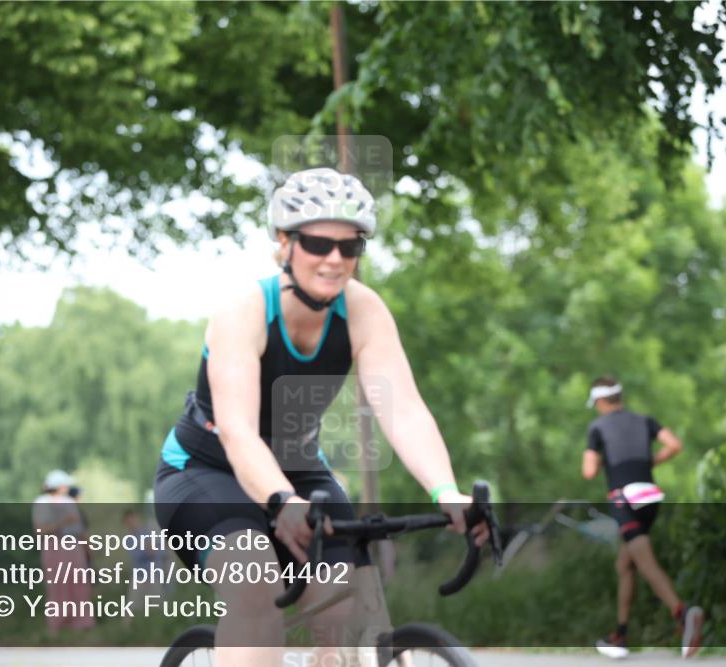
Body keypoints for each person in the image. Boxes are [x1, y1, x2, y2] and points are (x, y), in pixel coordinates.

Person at [153, 167, 488, 665]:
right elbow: (239, 432)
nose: (334, 260)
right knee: (255, 593)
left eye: (349, 247)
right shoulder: (243, 313)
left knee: (348, 617)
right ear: (284, 243)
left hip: (303, 471)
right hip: (207, 474)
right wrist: (280, 499)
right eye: (317, 244)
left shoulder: (364, 311)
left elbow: (404, 411)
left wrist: (446, 491)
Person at [582, 377, 703, 659]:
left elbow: (588, 471)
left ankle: (683, 614)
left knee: (645, 562)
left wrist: (606, 460)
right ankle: (620, 635)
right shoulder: (645, 420)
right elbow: (674, 445)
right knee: (625, 563)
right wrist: (648, 462)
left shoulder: (597, 427)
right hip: (649, 496)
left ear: (600, 402)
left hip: (623, 499)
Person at [31, 469, 95, 633]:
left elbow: (79, 529)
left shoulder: (69, 502)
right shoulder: (42, 502)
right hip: (54, 546)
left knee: (79, 585)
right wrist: (62, 522)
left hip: (74, 547)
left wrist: (87, 551)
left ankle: (81, 625)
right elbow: (40, 530)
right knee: (58, 588)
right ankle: (57, 626)